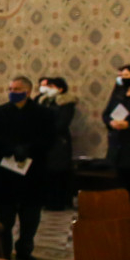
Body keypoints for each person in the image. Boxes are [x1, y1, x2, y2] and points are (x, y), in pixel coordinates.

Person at [0, 76, 53, 260]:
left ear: (28, 91)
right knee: (4, 216)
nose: (12, 92)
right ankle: (4, 251)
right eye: (10, 89)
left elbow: (49, 139)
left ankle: (25, 249)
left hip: (33, 171)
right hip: (5, 171)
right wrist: (10, 150)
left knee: (30, 216)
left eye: (17, 89)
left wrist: (27, 150)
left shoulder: (44, 114)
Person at [103, 63, 130, 211]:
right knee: (117, 180)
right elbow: (106, 114)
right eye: (120, 76)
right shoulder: (118, 94)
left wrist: (129, 125)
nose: (122, 79)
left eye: (126, 76)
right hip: (116, 143)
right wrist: (110, 122)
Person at [38, 77, 77, 210]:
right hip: (44, 141)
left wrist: (46, 129)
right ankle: (46, 201)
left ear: (60, 89)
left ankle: (58, 202)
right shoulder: (44, 101)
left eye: (51, 87)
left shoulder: (66, 103)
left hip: (59, 142)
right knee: (46, 172)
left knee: (58, 172)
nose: (48, 89)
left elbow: (62, 123)